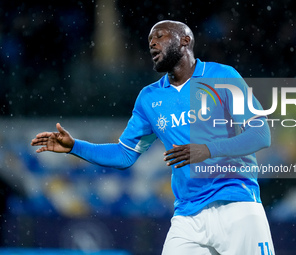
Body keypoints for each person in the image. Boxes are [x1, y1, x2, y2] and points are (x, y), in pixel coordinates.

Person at [31, 20, 275, 254]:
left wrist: (207, 149)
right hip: (187, 214)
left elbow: (261, 133)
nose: (152, 43)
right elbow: (124, 154)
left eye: (160, 36)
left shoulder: (222, 76)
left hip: (236, 202)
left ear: (185, 41)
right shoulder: (149, 98)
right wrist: (75, 146)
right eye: (150, 40)